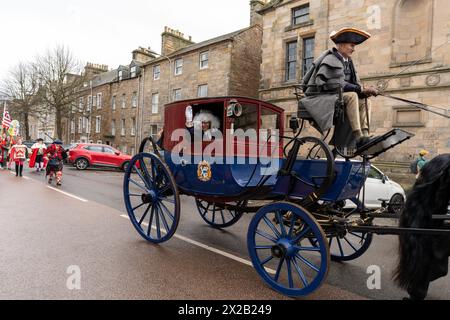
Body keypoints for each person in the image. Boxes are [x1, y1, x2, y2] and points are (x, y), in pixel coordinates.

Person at [301, 27, 380, 149]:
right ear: (342, 45)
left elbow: (352, 84)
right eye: (352, 45)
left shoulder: (348, 61)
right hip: (324, 97)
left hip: (339, 96)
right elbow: (336, 83)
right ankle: (358, 135)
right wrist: (359, 90)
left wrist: (364, 91)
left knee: (366, 101)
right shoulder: (330, 59)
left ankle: (365, 133)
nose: (353, 49)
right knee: (353, 96)